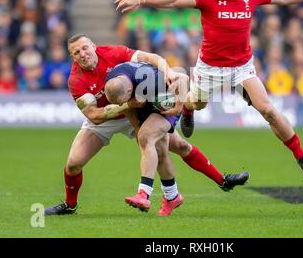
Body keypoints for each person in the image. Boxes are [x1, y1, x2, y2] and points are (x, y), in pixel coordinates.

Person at [115, 0, 303, 178]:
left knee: (268, 109)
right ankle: (188, 109)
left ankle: (301, 156)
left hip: (242, 67)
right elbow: (174, 0)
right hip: (209, 68)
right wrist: (142, 0)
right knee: (197, 103)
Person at [44, 34, 249, 215]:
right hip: (107, 117)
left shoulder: (114, 54)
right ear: (72, 57)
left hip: (137, 110)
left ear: (94, 46)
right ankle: (70, 206)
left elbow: (151, 58)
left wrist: (167, 71)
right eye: (76, 52)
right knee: (73, 164)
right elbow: (94, 116)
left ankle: (221, 181)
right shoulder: (76, 80)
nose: (82, 53)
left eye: (84, 48)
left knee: (177, 146)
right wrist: (126, 105)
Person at [104, 61, 188, 215]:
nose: (124, 103)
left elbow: (182, 78)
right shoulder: (112, 82)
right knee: (159, 150)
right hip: (146, 106)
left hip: (167, 105)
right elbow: (128, 109)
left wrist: (178, 107)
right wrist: (136, 127)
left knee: (146, 137)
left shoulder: (151, 79)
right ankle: (172, 196)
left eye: (125, 99)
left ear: (130, 89)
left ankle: (143, 194)